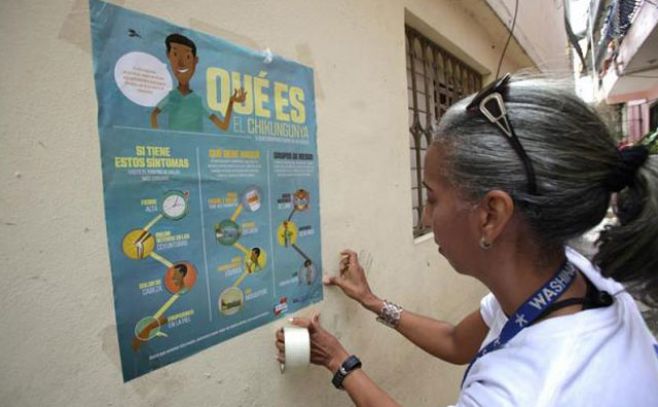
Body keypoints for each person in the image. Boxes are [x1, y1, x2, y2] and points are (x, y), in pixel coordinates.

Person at [275, 74, 658, 406]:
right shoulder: (568, 277)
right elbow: (458, 341)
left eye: (432, 198)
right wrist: (371, 300)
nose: (426, 217)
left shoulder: (530, 392)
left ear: (491, 215)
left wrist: (339, 362)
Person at [150, 33, 246, 132]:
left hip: (196, 145)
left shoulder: (198, 101)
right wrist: (160, 137)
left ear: (195, 61)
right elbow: (154, 115)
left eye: (187, 56)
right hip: (175, 144)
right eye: (175, 54)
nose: (181, 63)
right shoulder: (171, 97)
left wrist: (231, 102)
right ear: (168, 55)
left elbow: (223, 126)